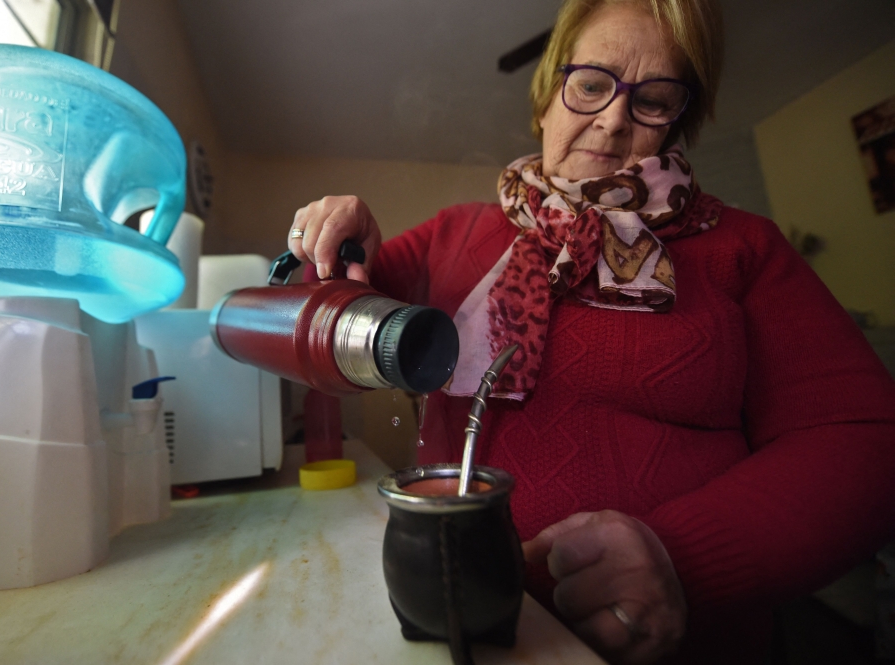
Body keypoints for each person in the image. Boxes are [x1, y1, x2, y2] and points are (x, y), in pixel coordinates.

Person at [286, 0, 895, 662]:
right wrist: (326, 246)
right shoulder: (455, 234)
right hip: (455, 626)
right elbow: (306, 330)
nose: (611, 119)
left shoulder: (740, 246)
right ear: (547, 98)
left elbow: (864, 439)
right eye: (590, 84)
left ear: (674, 123)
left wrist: (680, 560)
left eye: (654, 98)